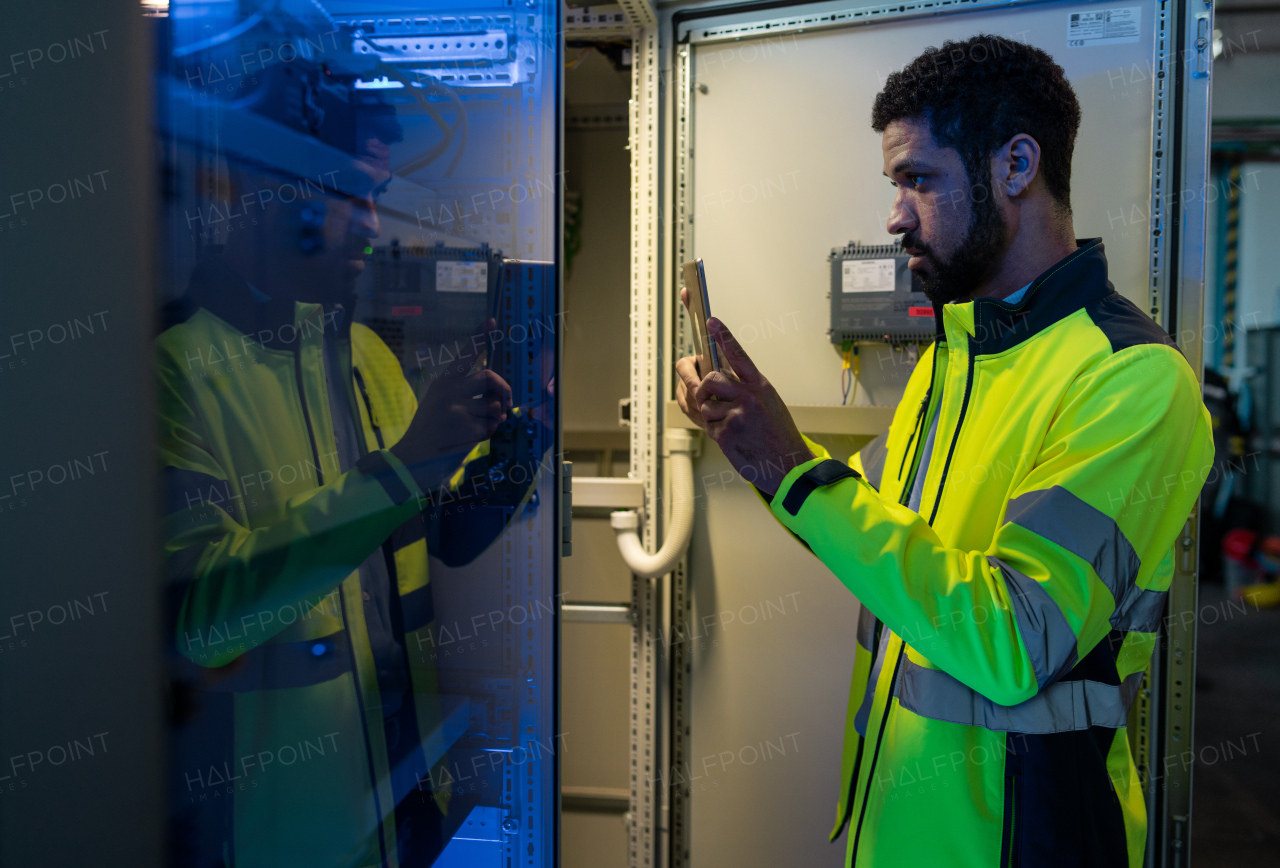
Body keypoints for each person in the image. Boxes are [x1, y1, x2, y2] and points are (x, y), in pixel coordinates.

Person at [675, 35, 1213, 868]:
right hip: (895, 834)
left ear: (1016, 165)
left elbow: (1015, 640)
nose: (894, 215)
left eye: (918, 179)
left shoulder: (1134, 383)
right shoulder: (951, 360)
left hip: (1024, 844)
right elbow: (862, 528)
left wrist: (795, 470)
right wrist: (760, 452)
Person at [159, 89, 543, 867]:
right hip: (281, 830)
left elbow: (447, 532)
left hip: (402, 791)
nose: (373, 225)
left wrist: (523, 431)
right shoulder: (176, 369)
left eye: (378, 197)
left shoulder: (361, 355)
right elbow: (202, 615)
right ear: (271, 195)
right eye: (352, 196)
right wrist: (402, 466)